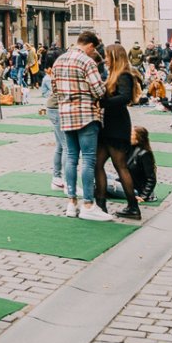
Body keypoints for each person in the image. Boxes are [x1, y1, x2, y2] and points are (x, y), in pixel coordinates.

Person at [54, 30, 111, 221]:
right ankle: (88, 204)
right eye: (94, 50)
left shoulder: (59, 60)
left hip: (65, 113)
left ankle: (71, 202)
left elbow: (54, 89)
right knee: (88, 159)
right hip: (85, 113)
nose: (94, 53)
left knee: (71, 157)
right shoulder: (87, 61)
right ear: (91, 46)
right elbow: (99, 90)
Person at [95, 44, 142, 220]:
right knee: (98, 164)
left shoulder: (124, 75)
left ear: (115, 57)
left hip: (117, 125)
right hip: (109, 124)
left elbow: (124, 97)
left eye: (107, 56)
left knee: (120, 166)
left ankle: (133, 206)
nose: (105, 59)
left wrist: (102, 103)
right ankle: (101, 204)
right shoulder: (114, 74)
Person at [105, 126, 157, 205]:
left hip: (135, 190)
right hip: (125, 181)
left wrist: (144, 196)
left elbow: (151, 179)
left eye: (131, 134)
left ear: (138, 138)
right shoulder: (130, 148)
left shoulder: (145, 154)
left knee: (102, 182)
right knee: (100, 174)